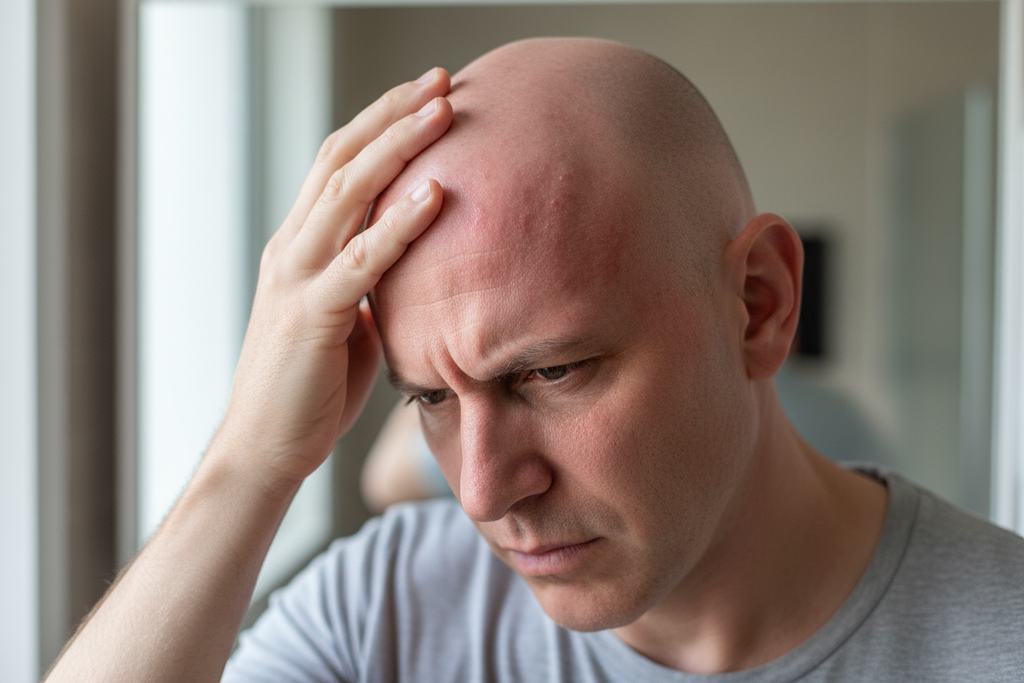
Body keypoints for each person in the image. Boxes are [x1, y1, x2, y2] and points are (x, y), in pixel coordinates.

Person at [46, 38, 1023, 683]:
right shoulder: (385, 612)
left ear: (758, 304)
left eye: (550, 373)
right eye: (430, 397)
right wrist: (249, 461)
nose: (479, 490)